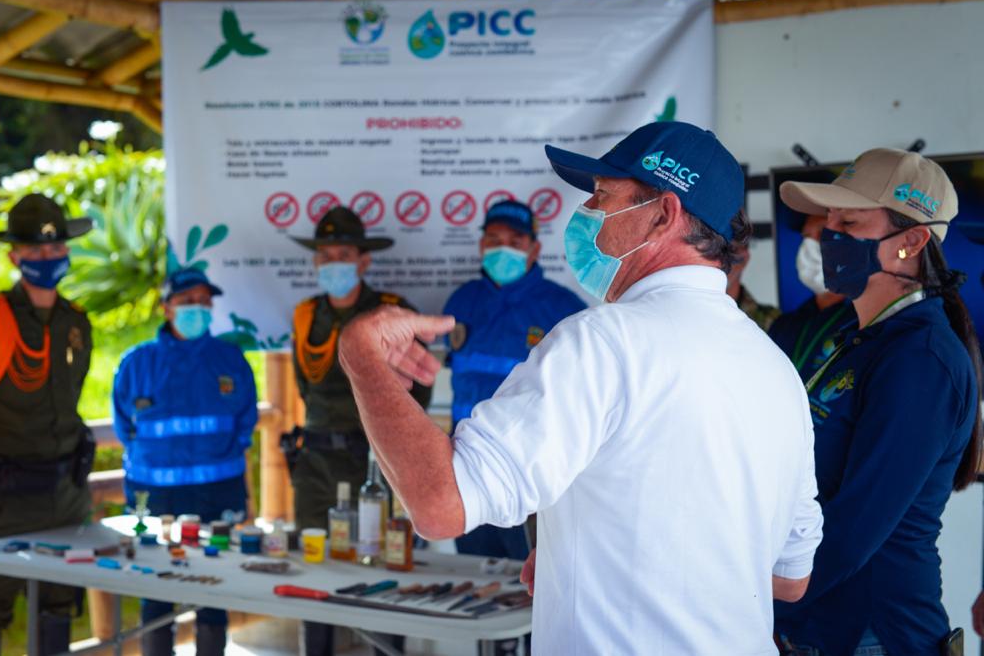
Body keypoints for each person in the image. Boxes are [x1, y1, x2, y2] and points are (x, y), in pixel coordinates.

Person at [335, 121, 824, 654]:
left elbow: (440, 503)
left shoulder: (604, 342)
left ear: (663, 214)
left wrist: (363, 360)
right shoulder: (777, 370)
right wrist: (585, 545)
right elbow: (789, 578)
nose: (586, 216)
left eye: (602, 197)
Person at [773, 148, 983, 655]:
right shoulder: (860, 336)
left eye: (849, 219)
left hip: (873, 635)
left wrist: (752, 601)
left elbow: (855, 524)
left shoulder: (921, 359)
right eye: (828, 219)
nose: (829, 233)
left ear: (911, 242)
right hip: (820, 625)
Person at [284, 207, 431, 656]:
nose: (333, 263)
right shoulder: (306, 315)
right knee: (313, 567)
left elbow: (417, 392)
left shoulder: (391, 313)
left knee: (385, 568)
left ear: (364, 261)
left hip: (375, 463)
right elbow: (304, 386)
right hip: (315, 464)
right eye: (325, 255)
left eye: (343, 254)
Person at [0, 194, 95, 656]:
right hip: (4, 498)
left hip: (66, 496)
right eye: (35, 251)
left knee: (59, 606)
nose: (47, 258)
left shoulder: (77, 323)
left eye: (55, 249)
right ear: (14, 255)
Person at [112, 267, 257, 656]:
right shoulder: (136, 363)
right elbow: (124, 427)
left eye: (204, 301)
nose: (198, 308)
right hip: (156, 501)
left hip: (216, 495)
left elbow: (246, 421)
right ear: (166, 307)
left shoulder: (229, 359)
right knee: (155, 589)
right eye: (187, 301)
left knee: (214, 586)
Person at [444, 199, 585, 562]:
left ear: (535, 249)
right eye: (493, 239)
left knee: (530, 583)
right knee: (474, 572)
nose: (501, 248)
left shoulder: (562, 309)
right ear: (480, 245)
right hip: (467, 464)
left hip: (531, 470)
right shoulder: (461, 302)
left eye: (515, 240)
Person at [769, 214, 857, 382]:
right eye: (806, 237)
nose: (809, 246)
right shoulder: (784, 325)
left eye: (822, 233)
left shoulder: (868, 322)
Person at [727, 243, 780, 331]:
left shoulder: (773, 323)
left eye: (726, 250)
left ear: (743, 257)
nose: (715, 261)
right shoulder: (697, 314)